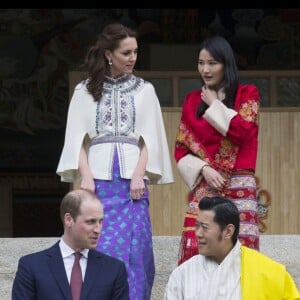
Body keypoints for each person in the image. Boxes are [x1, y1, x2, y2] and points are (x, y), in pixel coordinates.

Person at [56, 23, 174, 300]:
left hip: (133, 185)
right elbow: (77, 141)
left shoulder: (145, 90)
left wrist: (138, 175)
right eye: (126, 53)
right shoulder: (84, 90)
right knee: (98, 248)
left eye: (135, 52)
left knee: (138, 252)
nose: (133, 58)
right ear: (109, 54)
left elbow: (151, 140)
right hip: (98, 185)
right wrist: (86, 177)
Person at [174, 35, 260, 264]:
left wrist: (214, 105)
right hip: (206, 183)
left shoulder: (247, 94)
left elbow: (243, 133)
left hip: (240, 183)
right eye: (201, 63)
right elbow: (181, 148)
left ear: (226, 64)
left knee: (242, 253)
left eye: (212, 63)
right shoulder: (192, 101)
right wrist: (203, 169)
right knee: (199, 249)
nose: (205, 69)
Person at [164, 196, 300, 299]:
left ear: (228, 231)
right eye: (197, 226)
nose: (198, 234)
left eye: (204, 227)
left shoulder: (269, 273)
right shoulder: (182, 274)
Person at [12, 189, 129, 300]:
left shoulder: (114, 269)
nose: (98, 229)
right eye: (90, 222)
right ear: (69, 220)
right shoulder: (31, 266)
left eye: (100, 221)